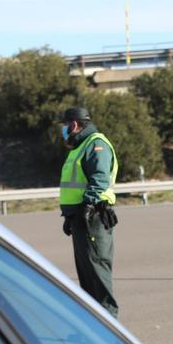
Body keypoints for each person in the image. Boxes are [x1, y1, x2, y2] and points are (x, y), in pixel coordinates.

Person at [59, 106, 120, 317]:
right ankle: (93, 326)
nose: (64, 130)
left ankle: (110, 326)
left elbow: (100, 178)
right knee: (86, 276)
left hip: (93, 216)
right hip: (80, 218)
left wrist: (88, 205)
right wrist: (69, 215)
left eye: (65, 125)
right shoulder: (79, 146)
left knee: (97, 273)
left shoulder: (96, 145)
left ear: (74, 124)